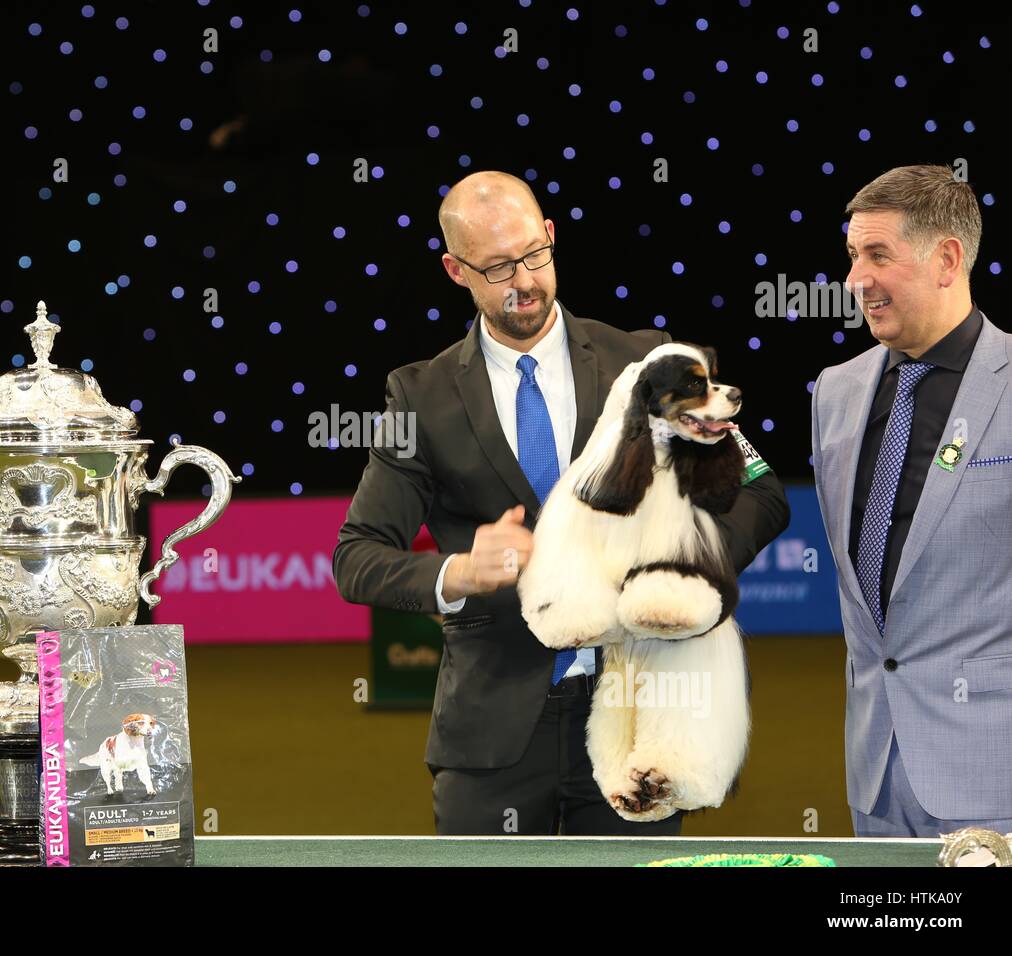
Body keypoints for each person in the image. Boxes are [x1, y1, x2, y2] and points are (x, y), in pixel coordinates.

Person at [334, 170, 790, 834]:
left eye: (533, 254)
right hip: (490, 736)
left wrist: (685, 571)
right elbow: (356, 557)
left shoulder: (643, 361)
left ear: (550, 236)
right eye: (495, 268)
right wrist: (456, 573)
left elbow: (761, 491)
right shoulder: (419, 396)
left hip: (640, 717)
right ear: (455, 270)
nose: (523, 279)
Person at [811, 164, 1012, 836]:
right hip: (874, 775)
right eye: (851, 257)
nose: (855, 281)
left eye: (877, 255)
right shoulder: (834, 391)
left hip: (993, 775)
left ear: (947, 260)